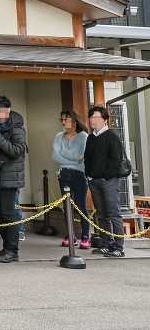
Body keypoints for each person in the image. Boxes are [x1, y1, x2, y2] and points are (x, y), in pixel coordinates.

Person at [0, 96, 27, 263]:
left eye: (0, 111)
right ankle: (6, 247)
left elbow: (16, 151)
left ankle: (12, 250)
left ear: (9, 110)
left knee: (8, 214)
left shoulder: (17, 128)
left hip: (9, 178)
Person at [85, 105, 126, 257]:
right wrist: (88, 174)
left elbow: (116, 160)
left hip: (109, 180)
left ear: (105, 119)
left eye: (96, 117)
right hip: (94, 180)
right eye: (91, 118)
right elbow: (87, 158)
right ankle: (106, 243)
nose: (93, 120)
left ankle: (118, 246)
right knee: (101, 214)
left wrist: (105, 176)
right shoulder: (91, 138)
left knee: (113, 213)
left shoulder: (112, 136)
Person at [52, 108, 90, 249]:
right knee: (67, 205)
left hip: (79, 174)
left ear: (74, 120)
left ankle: (86, 236)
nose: (63, 122)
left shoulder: (82, 136)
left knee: (81, 206)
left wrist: (64, 154)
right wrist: (72, 159)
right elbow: (55, 157)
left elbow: (78, 154)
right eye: (61, 119)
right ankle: (70, 235)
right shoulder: (58, 136)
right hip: (63, 174)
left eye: (66, 119)